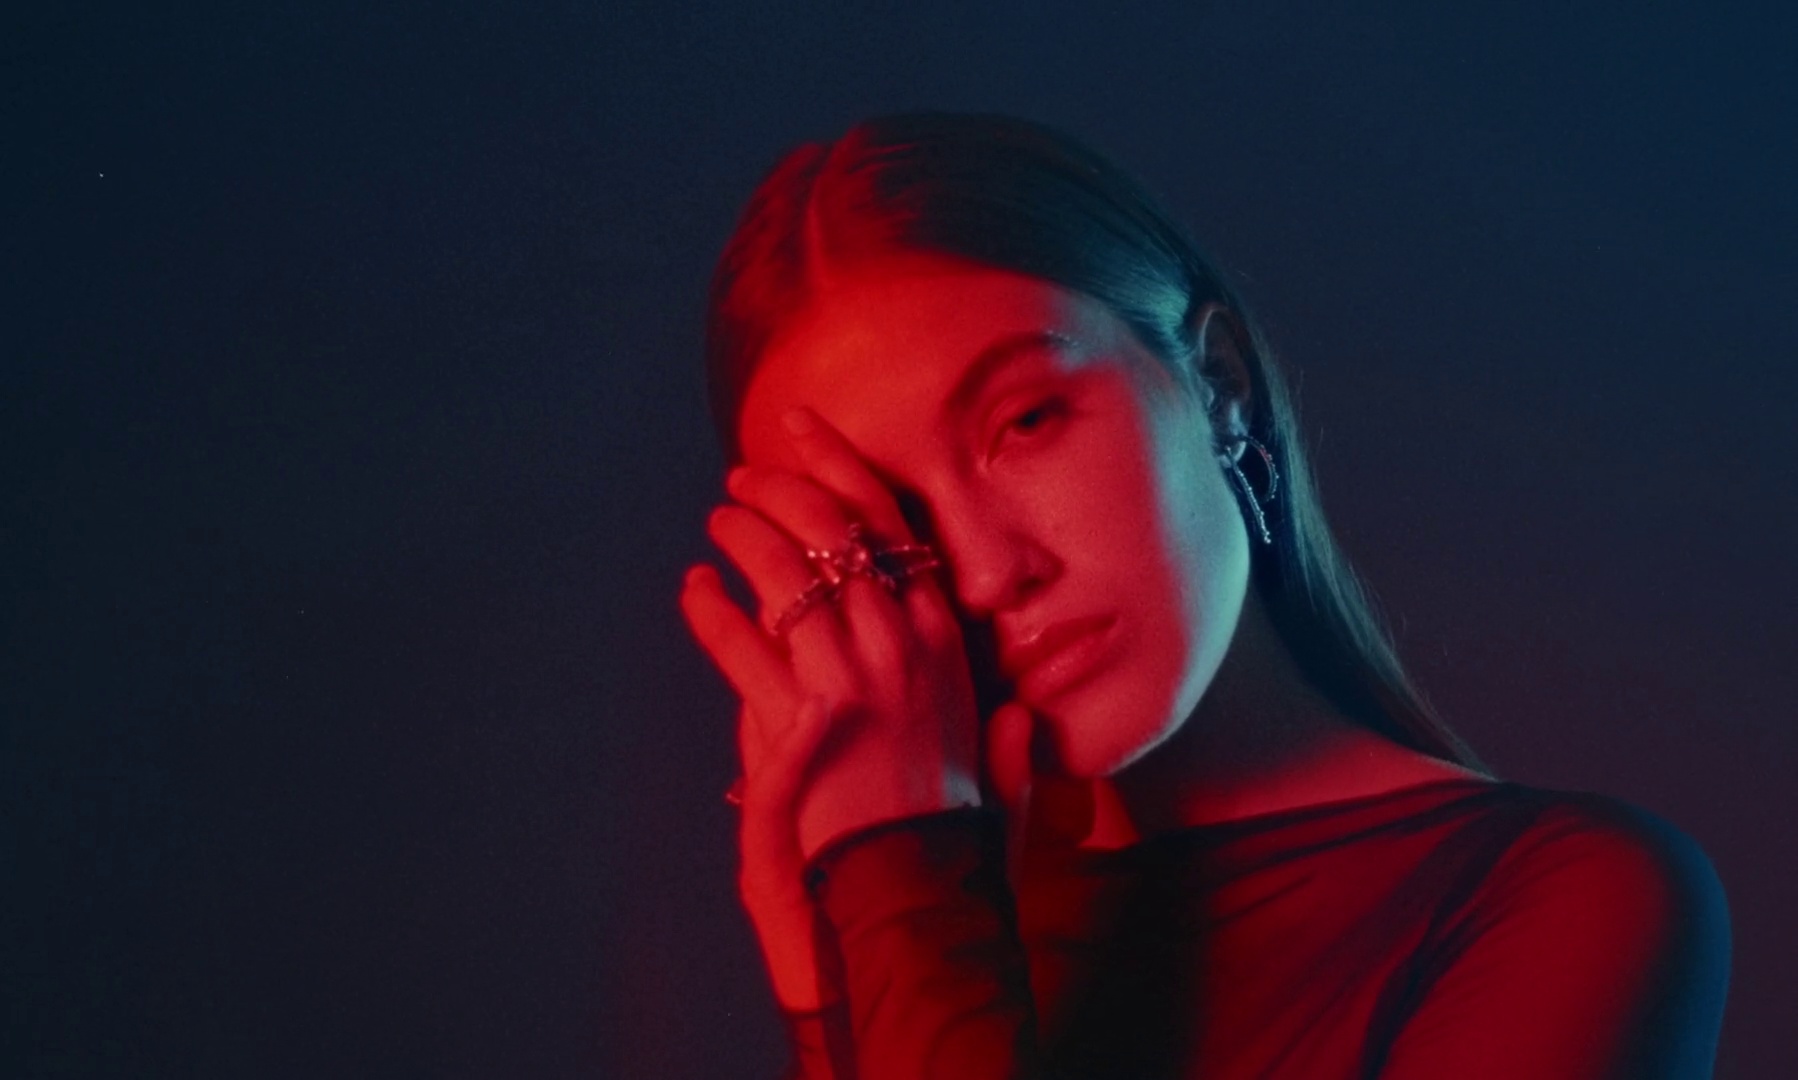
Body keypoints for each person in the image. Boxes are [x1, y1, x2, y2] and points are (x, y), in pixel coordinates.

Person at [677, 112, 1731, 1078]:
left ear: (1219, 383)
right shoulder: (920, 925)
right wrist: (833, 968)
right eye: (889, 526)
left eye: (1027, 422)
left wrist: (898, 898)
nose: (991, 574)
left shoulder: (1573, 899)